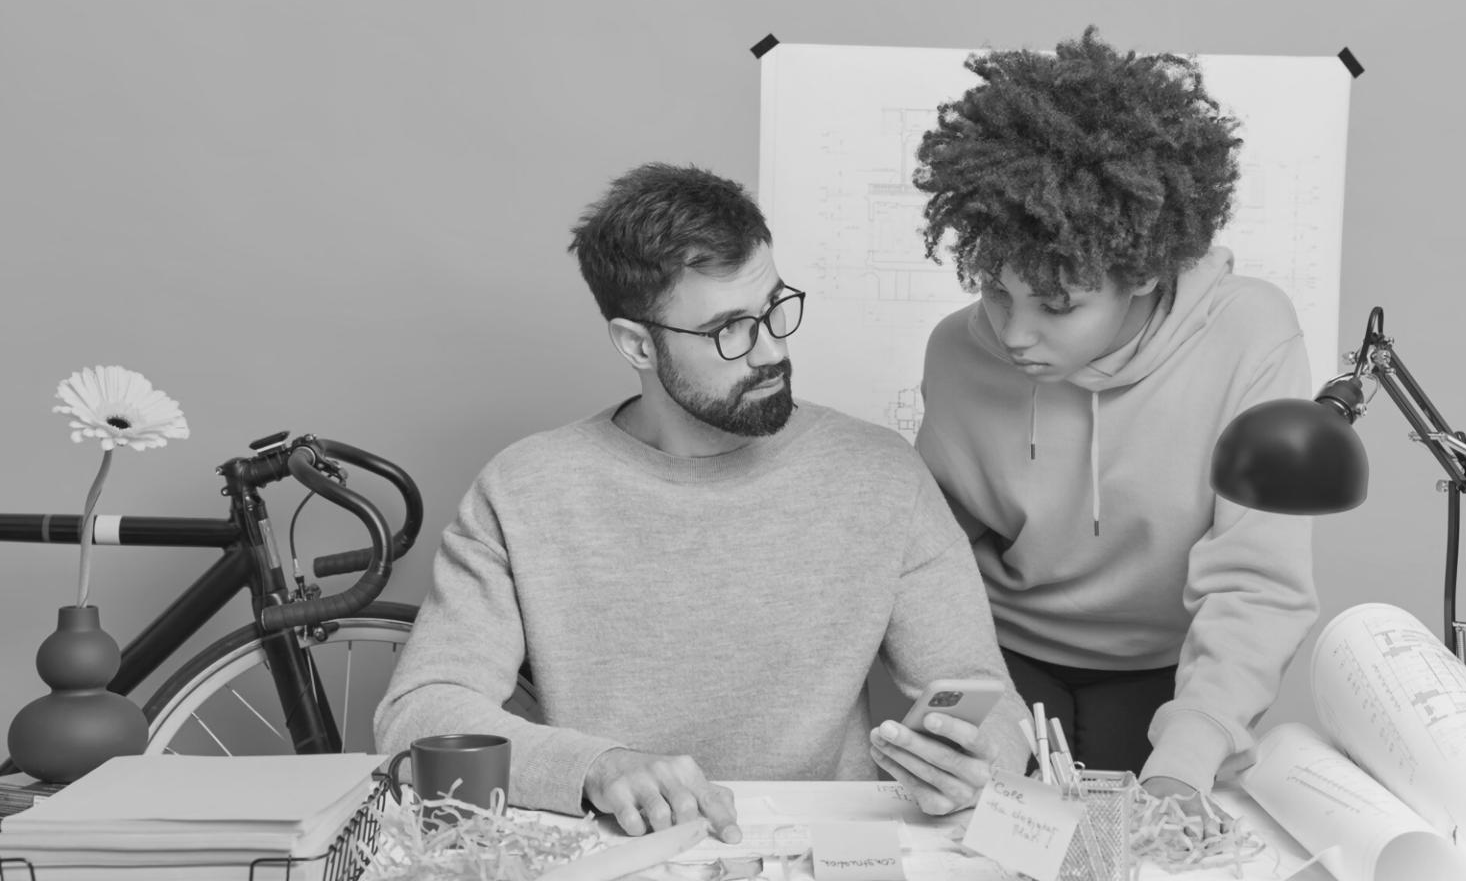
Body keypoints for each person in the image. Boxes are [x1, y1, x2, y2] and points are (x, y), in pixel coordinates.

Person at [375, 162, 1030, 842]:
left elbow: (983, 694)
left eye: (774, 308)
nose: (770, 349)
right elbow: (419, 711)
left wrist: (980, 759)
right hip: (608, 854)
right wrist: (597, 767)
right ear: (637, 344)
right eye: (728, 329)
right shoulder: (523, 489)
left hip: (821, 859)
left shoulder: (881, 474)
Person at [910, 28, 1319, 807]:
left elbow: (1256, 579)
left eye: (1056, 305)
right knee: (986, 849)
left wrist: (1187, 755)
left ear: (1142, 271)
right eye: (995, 291)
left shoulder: (1250, 336)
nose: (1013, 333)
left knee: (1146, 854)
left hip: (1166, 665)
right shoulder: (956, 351)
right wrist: (964, 726)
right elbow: (931, 560)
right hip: (1000, 654)